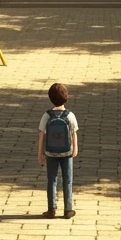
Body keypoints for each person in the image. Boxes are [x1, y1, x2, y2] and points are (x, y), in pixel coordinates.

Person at [37, 82, 78, 218]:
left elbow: (41, 134)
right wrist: (75, 148)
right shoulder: (70, 115)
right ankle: (68, 209)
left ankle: (51, 209)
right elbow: (73, 133)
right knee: (67, 180)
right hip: (67, 153)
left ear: (50, 98)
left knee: (52, 180)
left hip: (50, 153)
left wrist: (40, 153)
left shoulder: (47, 116)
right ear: (66, 97)